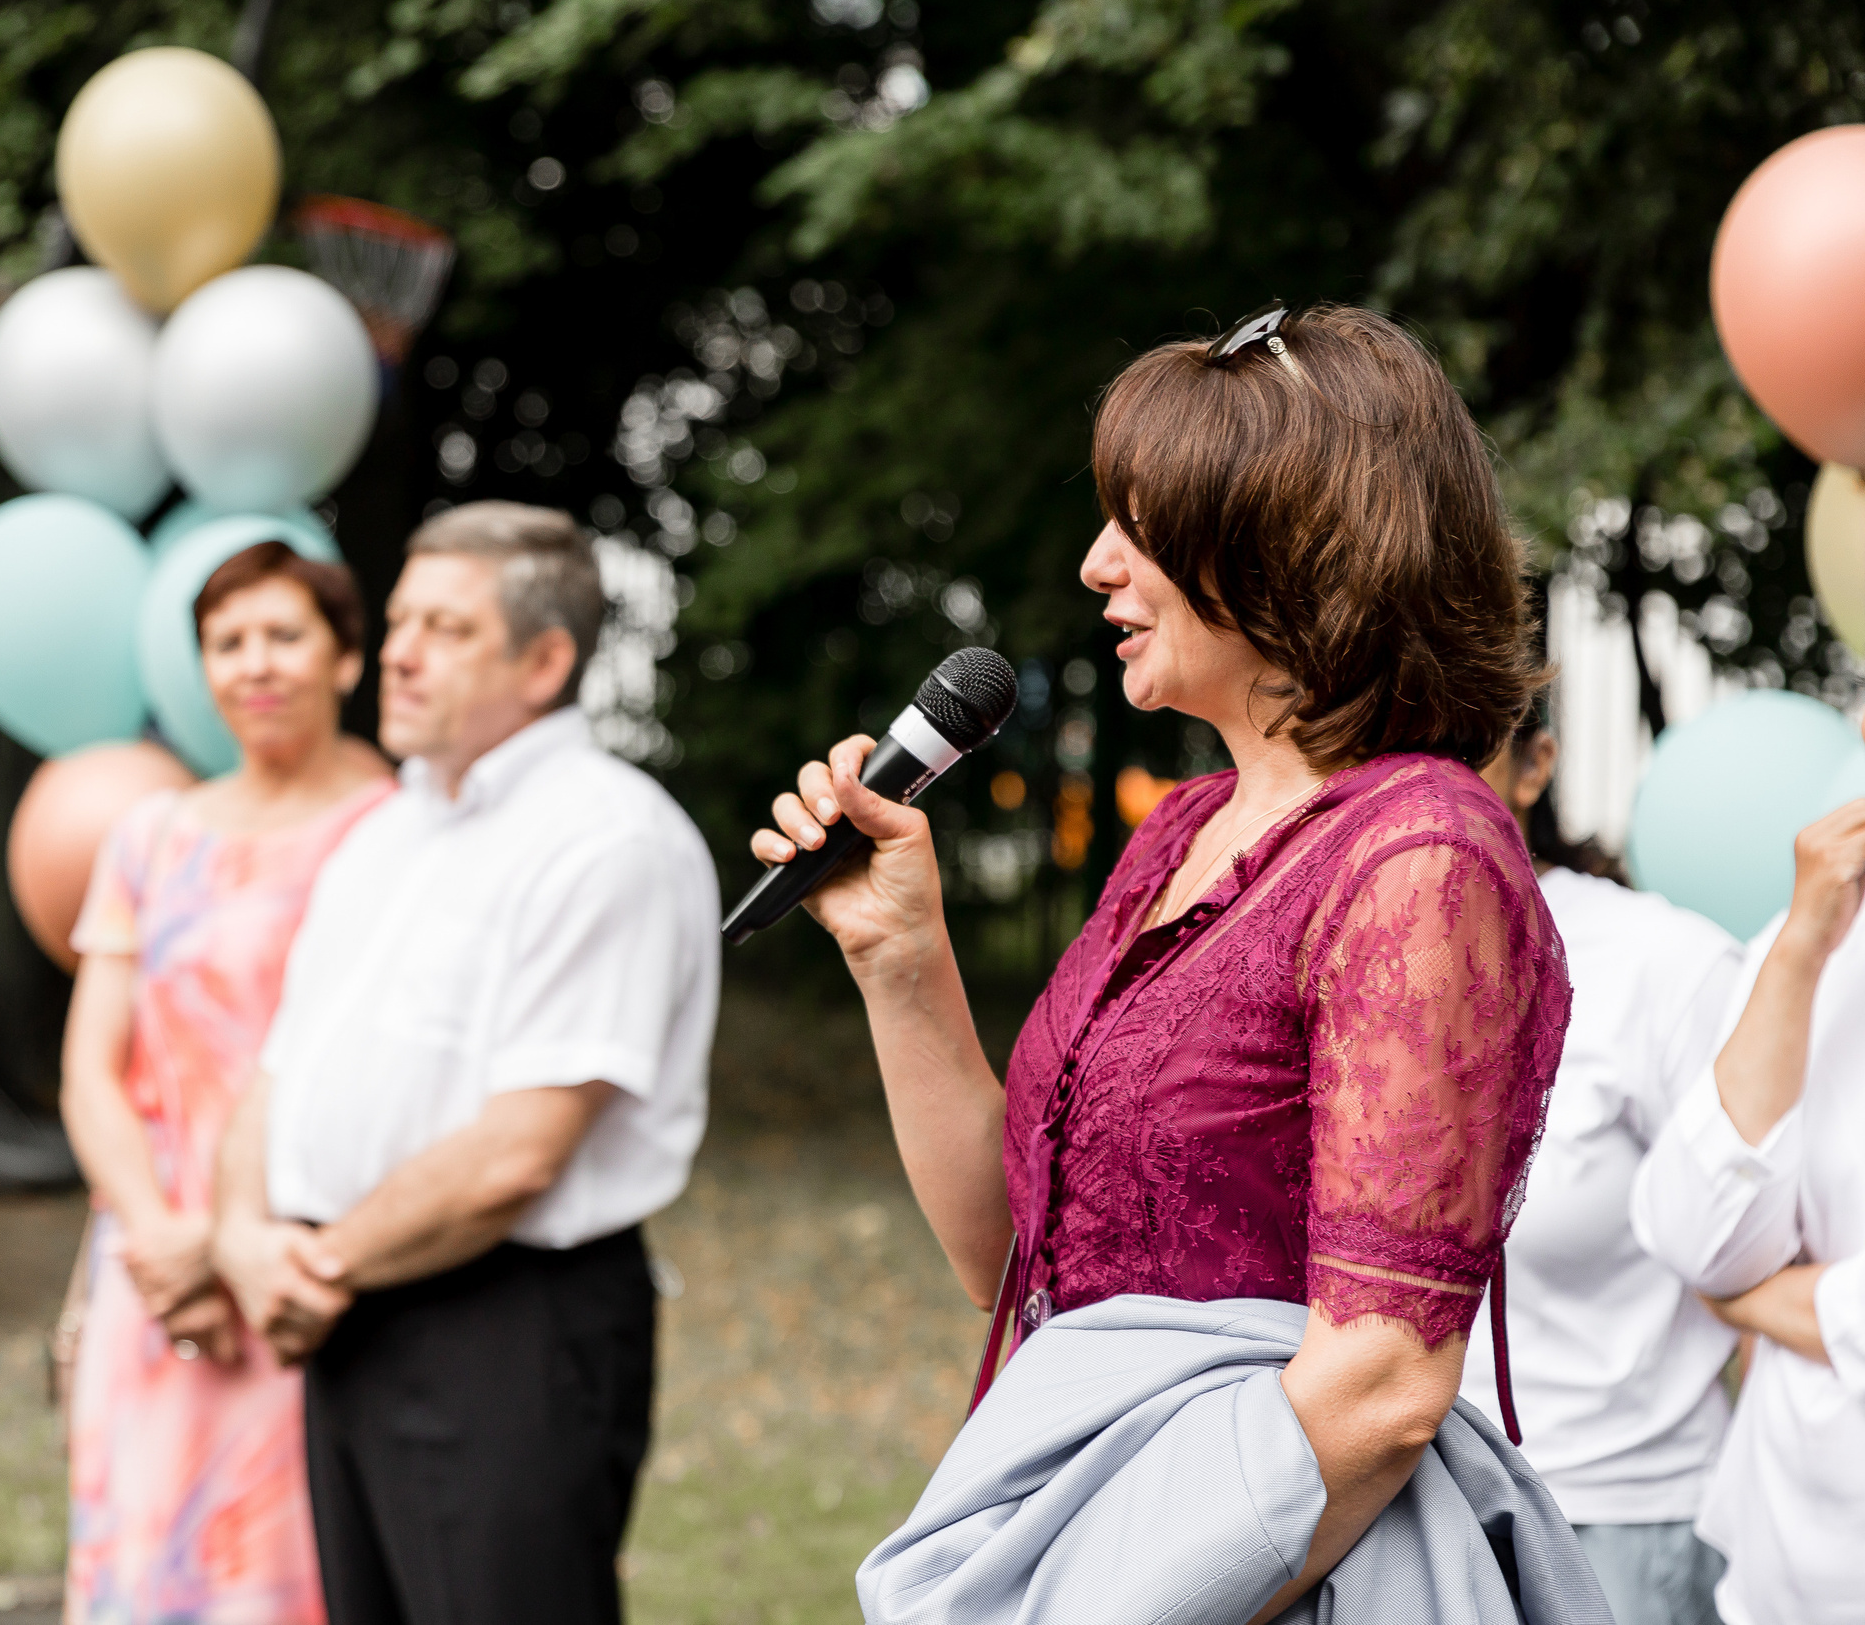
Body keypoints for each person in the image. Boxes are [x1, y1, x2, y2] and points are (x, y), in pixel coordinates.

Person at [756, 306, 1599, 1622]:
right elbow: (1014, 1257)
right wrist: (901, 951)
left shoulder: (1420, 856)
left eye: (1140, 527)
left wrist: (1095, 1593)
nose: (1098, 566)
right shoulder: (1184, 831)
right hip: (1100, 1517)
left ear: (1293, 538)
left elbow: (1379, 1384)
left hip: (1264, 1568)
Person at [210, 502, 719, 1625]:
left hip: (505, 1330)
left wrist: (318, 1266)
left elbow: (517, 1154)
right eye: (398, 621)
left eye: (441, 626)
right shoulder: (387, 832)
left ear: (543, 662)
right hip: (345, 1309)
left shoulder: (605, 839)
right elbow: (280, 1067)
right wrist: (244, 1238)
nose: (394, 651)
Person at [59, 541, 393, 1625]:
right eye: (228, 642)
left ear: (346, 658)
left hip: (306, 1261)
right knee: (143, 1565)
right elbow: (92, 1069)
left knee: (288, 1569)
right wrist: (163, 1242)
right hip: (151, 1274)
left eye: (284, 635)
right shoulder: (151, 837)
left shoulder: (397, 832)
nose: (256, 664)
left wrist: (225, 1239)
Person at [1459, 716, 1741, 1625]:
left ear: (1537, 762)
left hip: (1619, 1527)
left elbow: (1762, 1245)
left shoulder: (1665, 964)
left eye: (1452, 747)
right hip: (1396, 1511)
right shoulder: (1332, 956)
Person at [1631, 793, 1865, 1625]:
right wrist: (1802, 949)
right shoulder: (1818, 936)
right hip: (1785, 1572)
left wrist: (1771, 1301)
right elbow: (1701, 1239)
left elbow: (1730, 1280)